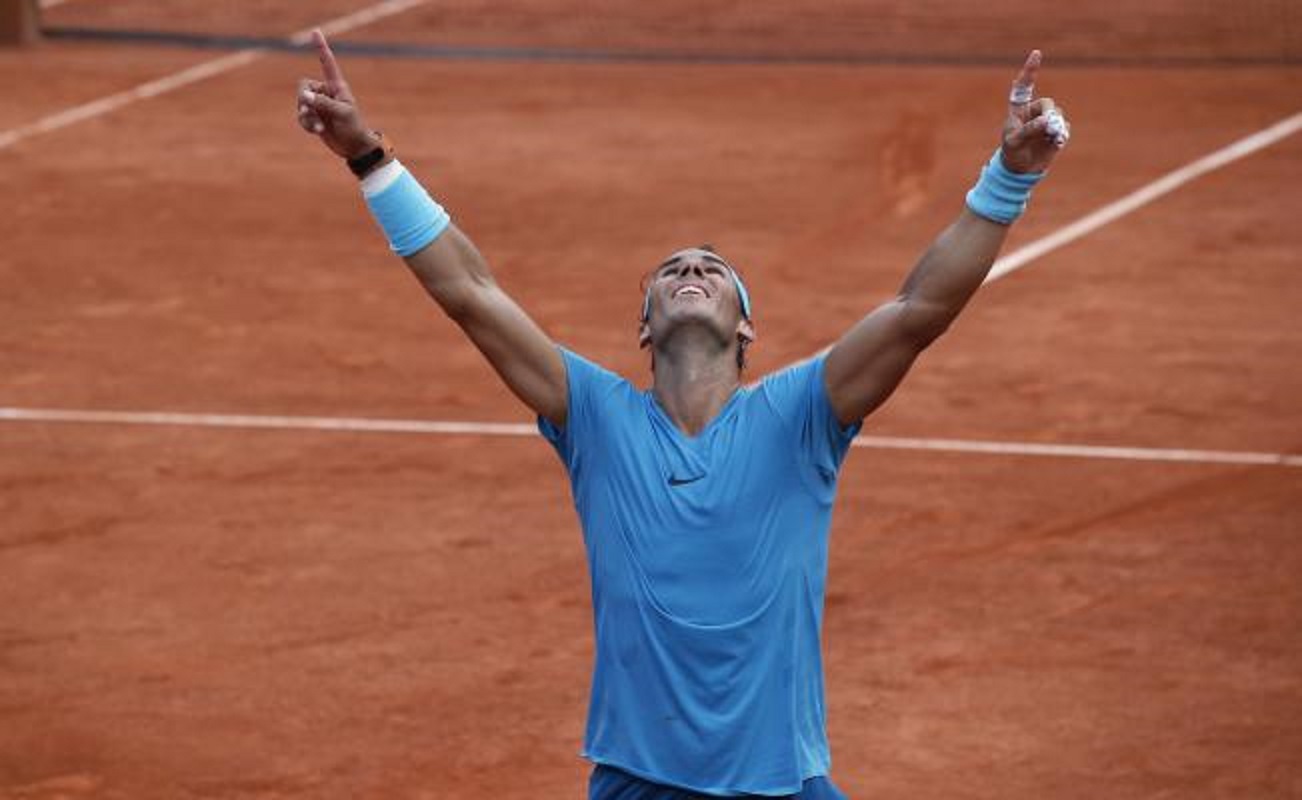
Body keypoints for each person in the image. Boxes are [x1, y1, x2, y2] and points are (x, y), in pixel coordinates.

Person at [296, 29, 1069, 800]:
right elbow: (471, 293)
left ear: (745, 329)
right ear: (644, 326)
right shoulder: (596, 416)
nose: (691, 270)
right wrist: (370, 160)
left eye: (712, 270)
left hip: (785, 783)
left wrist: (1009, 179)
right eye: (670, 271)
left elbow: (917, 309)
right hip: (640, 782)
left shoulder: (802, 413)